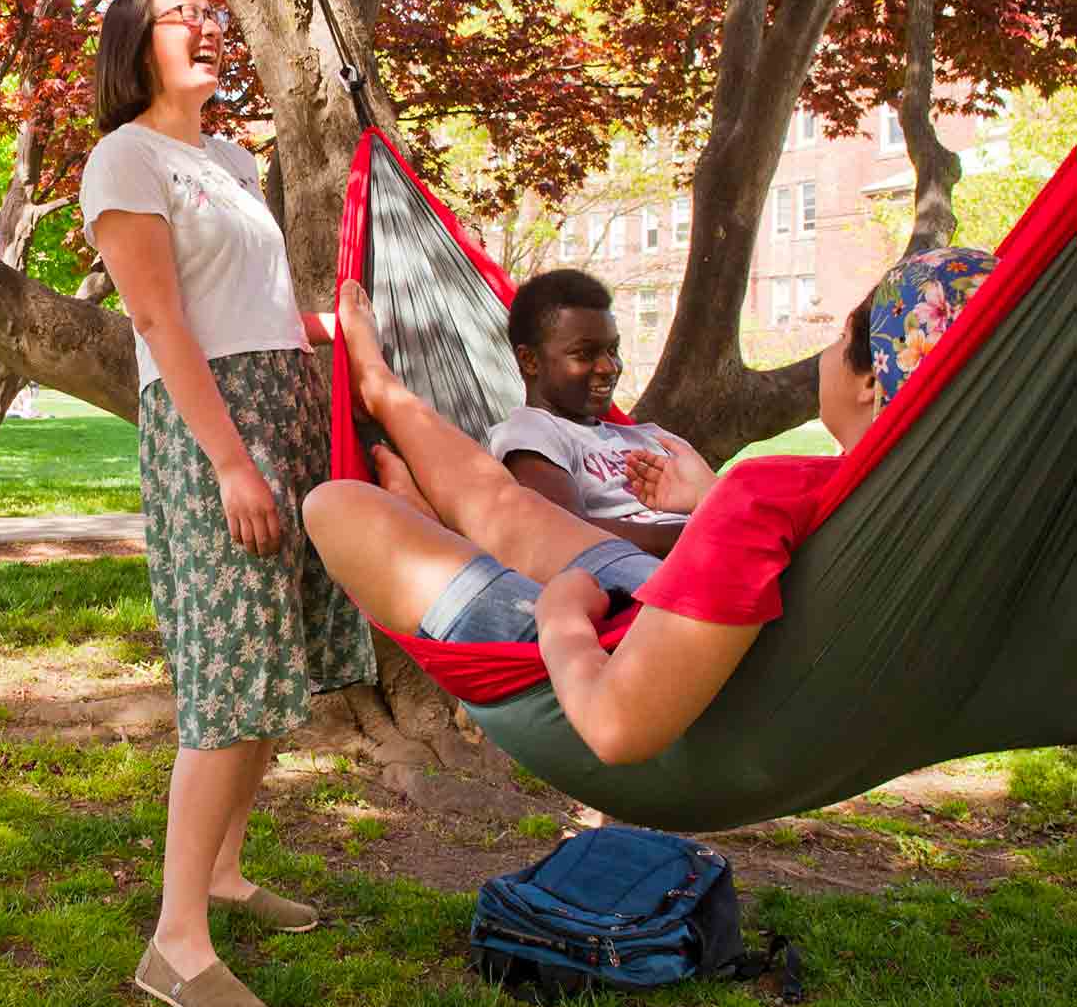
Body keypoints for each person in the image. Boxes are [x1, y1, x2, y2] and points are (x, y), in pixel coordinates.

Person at [305, 248, 998, 768]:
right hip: (655, 601)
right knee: (503, 505)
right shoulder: (947, 509)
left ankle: (396, 435)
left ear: (871, 381)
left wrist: (562, 619)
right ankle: (392, 409)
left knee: (337, 505)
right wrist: (707, 504)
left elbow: (616, 728)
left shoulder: (771, 493)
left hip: (613, 650)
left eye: (838, 335)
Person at [80, 0, 375, 1007]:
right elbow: (162, 324)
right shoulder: (126, 158)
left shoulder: (230, 159)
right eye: (178, 15)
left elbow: (249, 306)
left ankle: (229, 873)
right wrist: (232, 464)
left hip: (282, 408)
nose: (205, 24)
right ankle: (175, 939)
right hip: (215, 430)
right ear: (134, 43)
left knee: (272, 657)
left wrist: (327, 330)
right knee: (227, 670)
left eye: (210, 11)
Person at [487, 268, 715, 557]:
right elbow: (566, 532)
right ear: (530, 361)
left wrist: (712, 500)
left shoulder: (650, 437)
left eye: (613, 349)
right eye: (584, 354)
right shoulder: (531, 432)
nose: (609, 367)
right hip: (657, 579)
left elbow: (723, 505)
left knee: (776, 483)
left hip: (721, 557)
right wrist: (708, 533)